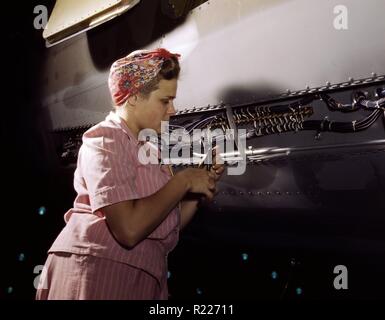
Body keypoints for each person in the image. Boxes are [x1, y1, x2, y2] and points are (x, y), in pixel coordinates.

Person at [36, 48, 224, 300]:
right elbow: (129, 228)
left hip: (140, 279)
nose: (173, 110)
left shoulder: (151, 151)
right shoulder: (105, 139)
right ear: (134, 97)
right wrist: (184, 180)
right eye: (165, 101)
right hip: (96, 274)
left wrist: (197, 187)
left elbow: (167, 223)